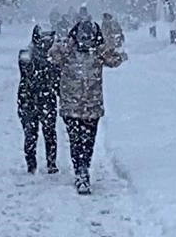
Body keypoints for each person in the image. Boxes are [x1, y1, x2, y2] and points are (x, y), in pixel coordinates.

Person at [48, 16, 127, 194]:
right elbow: (52, 56)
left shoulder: (98, 53)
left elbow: (116, 59)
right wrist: (65, 44)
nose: (85, 40)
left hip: (91, 107)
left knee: (88, 141)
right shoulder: (68, 51)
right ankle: (81, 172)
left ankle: (84, 168)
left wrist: (105, 46)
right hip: (71, 107)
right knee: (76, 141)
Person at [17, 25, 60, 174]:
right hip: (28, 98)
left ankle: (51, 163)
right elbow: (26, 72)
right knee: (30, 133)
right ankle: (31, 164)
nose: (46, 42)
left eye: (49, 39)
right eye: (43, 38)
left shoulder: (55, 57)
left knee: (49, 132)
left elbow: (57, 79)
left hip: (46, 98)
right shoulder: (26, 55)